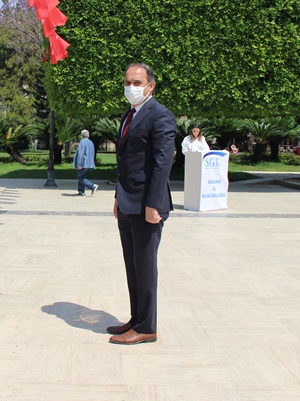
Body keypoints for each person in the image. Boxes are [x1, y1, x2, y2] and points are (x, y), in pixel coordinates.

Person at [109, 63, 176, 345]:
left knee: (145, 265)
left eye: (137, 82)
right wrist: (117, 197)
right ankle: (136, 318)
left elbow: (163, 164)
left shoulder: (160, 115)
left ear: (150, 86)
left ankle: (148, 327)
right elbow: (126, 161)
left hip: (147, 205)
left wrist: (152, 204)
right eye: (127, 82)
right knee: (132, 264)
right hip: (127, 202)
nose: (131, 87)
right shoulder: (130, 114)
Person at [72, 129, 99, 196]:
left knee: (80, 177)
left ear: (81, 136)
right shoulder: (91, 142)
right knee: (82, 176)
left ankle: (92, 186)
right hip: (90, 163)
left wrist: (79, 164)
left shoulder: (82, 142)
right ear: (88, 135)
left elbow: (80, 154)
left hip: (83, 163)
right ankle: (81, 191)